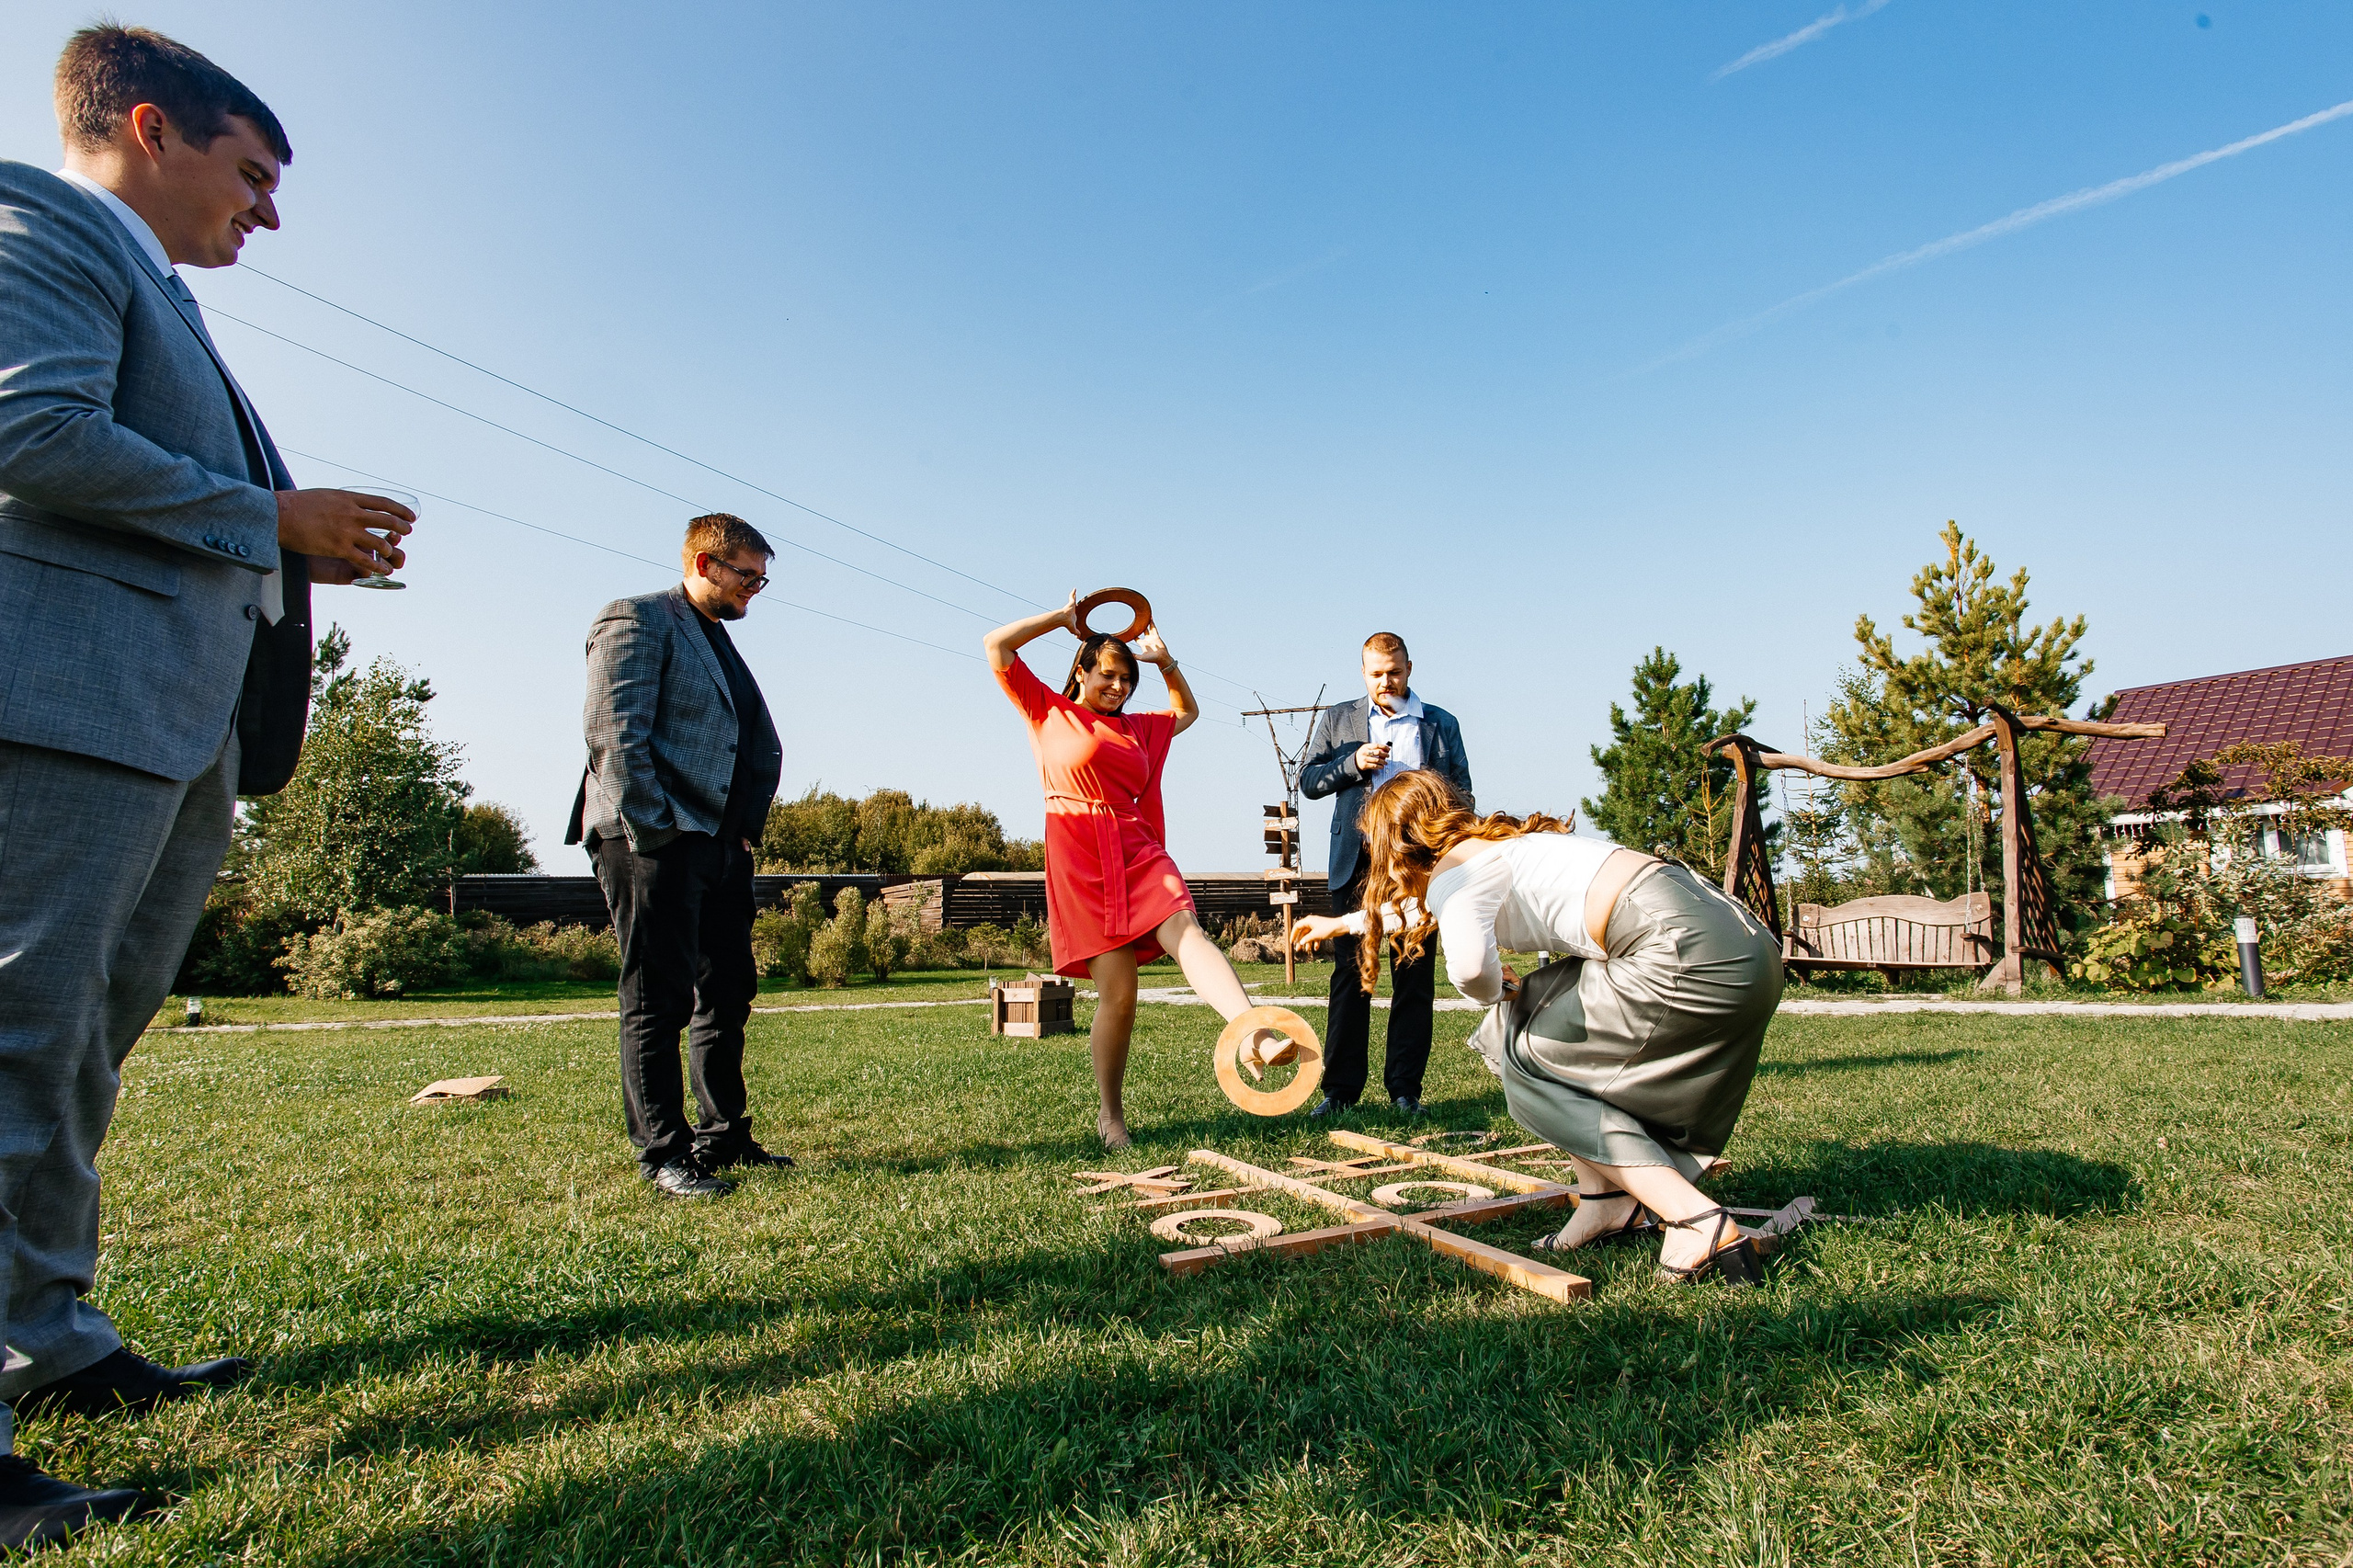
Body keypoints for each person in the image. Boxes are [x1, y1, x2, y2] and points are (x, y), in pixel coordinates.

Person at [0, 25, 416, 1549]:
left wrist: (281, 550)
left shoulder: (158, 287)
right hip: (56, 706)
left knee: (72, 1058)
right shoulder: (36, 219)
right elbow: (26, 432)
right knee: (12, 1048)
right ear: (154, 128)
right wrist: (269, 518)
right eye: (254, 174)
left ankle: (47, 1343)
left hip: (164, 730)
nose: (272, 212)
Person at [1291, 771, 1784, 1286]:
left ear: (1396, 846)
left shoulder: (1457, 873)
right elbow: (1428, 907)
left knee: (1515, 1045)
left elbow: (1469, 971)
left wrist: (1497, 990)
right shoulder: (1493, 849)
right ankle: (1606, 1201)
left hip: (1681, 953)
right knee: (1519, 1026)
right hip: (1740, 944)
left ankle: (1695, 1219)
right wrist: (1341, 925)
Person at [985, 596, 1279, 1149]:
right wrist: (1059, 621)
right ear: (1082, 670)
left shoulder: (1139, 728)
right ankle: (1110, 1115)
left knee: (1186, 929)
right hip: (1079, 856)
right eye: (1109, 676)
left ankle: (1251, 1032)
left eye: (1127, 680)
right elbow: (995, 647)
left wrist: (1165, 662)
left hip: (1137, 845)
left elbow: (1186, 712)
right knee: (1119, 998)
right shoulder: (1047, 709)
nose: (1119, 687)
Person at [565, 514, 793, 1199]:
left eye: (761, 577)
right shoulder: (634, 619)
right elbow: (614, 736)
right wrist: (655, 832)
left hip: (721, 845)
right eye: (746, 575)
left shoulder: (715, 636)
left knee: (727, 990)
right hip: (651, 839)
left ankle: (723, 1135)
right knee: (657, 997)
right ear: (702, 563)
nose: (755, 589)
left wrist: (739, 834)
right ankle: (664, 1155)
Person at [1297, 633, 1472, 1117]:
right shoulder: (1338, 719)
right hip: (1355, 863)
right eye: (1376, 673)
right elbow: (1308, 782)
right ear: (1363, 672)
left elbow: (1464, 796)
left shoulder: (1440, 724)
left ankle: (1404, 1091)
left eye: (1393, 672)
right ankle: (1339, 1092)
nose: (1385, 681)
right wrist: (1351, 764)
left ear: (1409, 669)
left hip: (1417, 865)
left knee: (1413, 978)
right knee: (1350, 976)